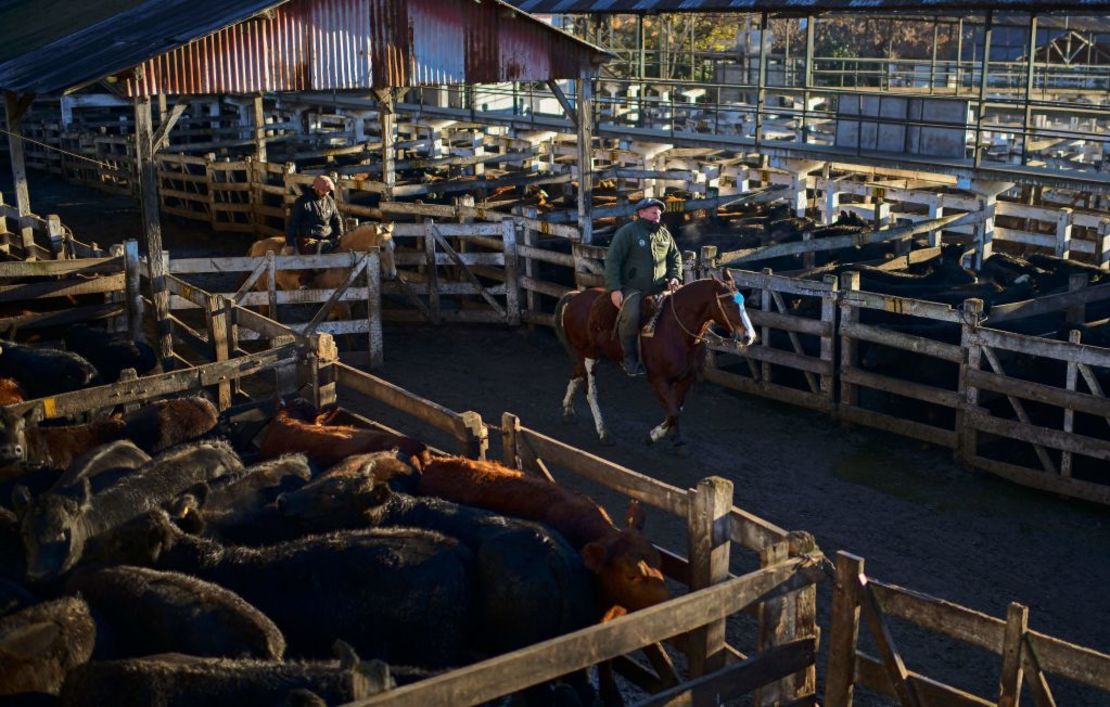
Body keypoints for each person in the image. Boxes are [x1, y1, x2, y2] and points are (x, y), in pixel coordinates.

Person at [604, 197, 682, 377]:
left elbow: (675, 257)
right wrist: (615, 288)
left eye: (659, 211)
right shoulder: (628, 232)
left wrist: (675, 277)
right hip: (633, 288)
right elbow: (613, 260)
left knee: (681, 311)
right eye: (654, 211)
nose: (658, 214)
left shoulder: (664, 233)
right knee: (631, 315)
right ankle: (629, 359)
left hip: (660, 287)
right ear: (641, 213)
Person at [285, 175, 345, 254]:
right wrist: (290, 244)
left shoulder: (330, 201)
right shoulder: (302, 202)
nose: (326, 193)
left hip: (328, 238)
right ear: (316, 189)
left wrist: (339, 234)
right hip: (309, 239)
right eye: (323, 190)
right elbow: (293, 223)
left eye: (328, 191)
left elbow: (337, 219)